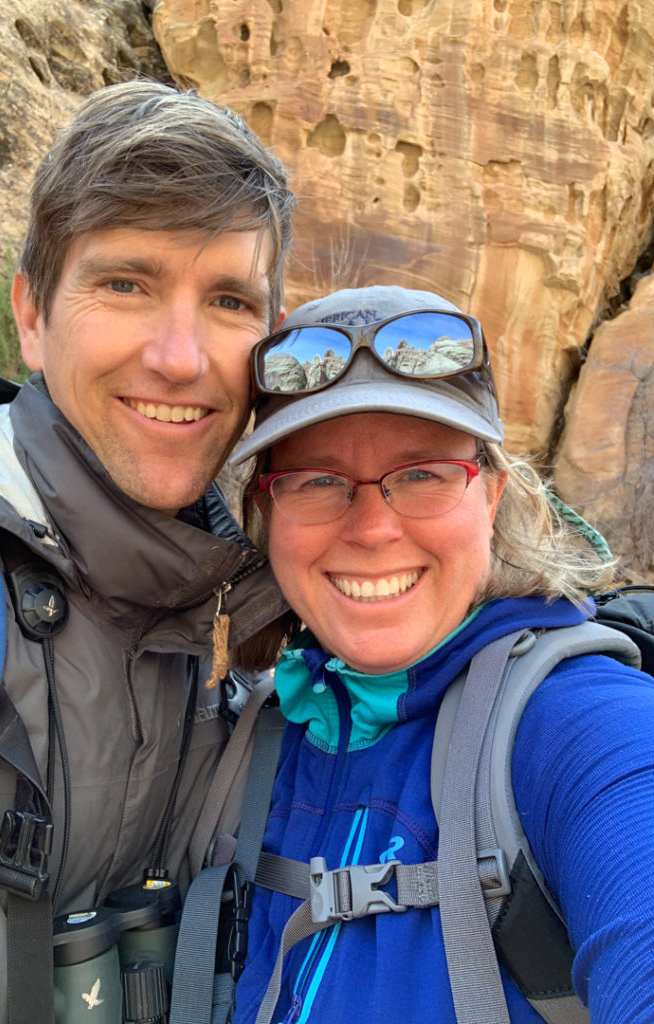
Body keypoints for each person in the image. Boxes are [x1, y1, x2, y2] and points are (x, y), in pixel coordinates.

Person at [0, 80, 294, 1022]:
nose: (182, 356)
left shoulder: (256, 601)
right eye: (126, 284)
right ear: (31, 316)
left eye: (230, 300)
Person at [228, 285, 654, 1024]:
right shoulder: (255, 735)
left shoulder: (581, 728)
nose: (371, 528)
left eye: (422, 474)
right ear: (267, 511)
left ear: (489, 494)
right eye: (318, 480)